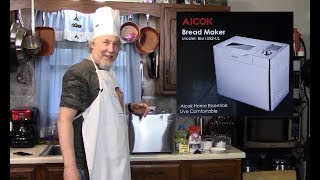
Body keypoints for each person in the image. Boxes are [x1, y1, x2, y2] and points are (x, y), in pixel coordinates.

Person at [57, 6, 150, 180]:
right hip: (88, 166)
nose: (111, 49)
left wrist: (129, 107)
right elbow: (64, 120)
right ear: (92, 43)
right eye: (105, 42)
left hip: (112, 160)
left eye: (116, 44)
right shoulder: (80, 72)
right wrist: (70, 168)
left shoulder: (107, 72)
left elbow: (103, 111)